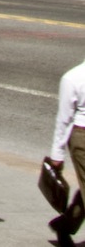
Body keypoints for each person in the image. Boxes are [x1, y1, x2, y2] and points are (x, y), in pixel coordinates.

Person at [44, 44, 85, 237]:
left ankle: (65, 225)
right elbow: (64, 119)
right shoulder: (73, 78)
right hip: (82, 137)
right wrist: (57, 153)